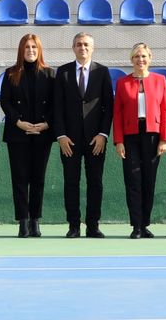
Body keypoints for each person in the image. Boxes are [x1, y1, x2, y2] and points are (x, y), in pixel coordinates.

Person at [52, 32, 113, 239]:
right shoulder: (63, 72)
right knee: (71, 182)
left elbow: (108, 106)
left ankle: (93, 225)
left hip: (96, 139)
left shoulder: (102, 72)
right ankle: (74, 225)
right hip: (69, 139)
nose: (82, 48)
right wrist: (60, 135)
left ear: (92, 48)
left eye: (86, 44)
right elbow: (56, 106)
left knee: (95, 182)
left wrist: (103, 134)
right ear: (73, 48)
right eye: (78, 44)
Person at [0, 33, 56, 238]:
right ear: (21, 50)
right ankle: (23, 221)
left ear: (39, 50)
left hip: (42, 133)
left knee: (38, 179)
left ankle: (35, 221)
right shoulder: (10, 74)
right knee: (20, 179)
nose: (30, 51)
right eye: (27, 48)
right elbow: (5, 101)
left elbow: (55, 103)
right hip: (18, 134)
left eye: (34, 47)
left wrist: (46, 124)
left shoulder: (50, 74)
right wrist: (18, 122)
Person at [113, 43, 166, 239]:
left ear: (150, 58)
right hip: (130, 135)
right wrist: (118, 141)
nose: (140, 60)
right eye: (137, 56)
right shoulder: (122, 82)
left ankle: (145, 224)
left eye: (144, 56)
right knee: (133, 180)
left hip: (153, 135)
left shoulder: (160, 80)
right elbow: (118, 114)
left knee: (149, 181)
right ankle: (136, 226)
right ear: (131, 60)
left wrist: (165, 139)